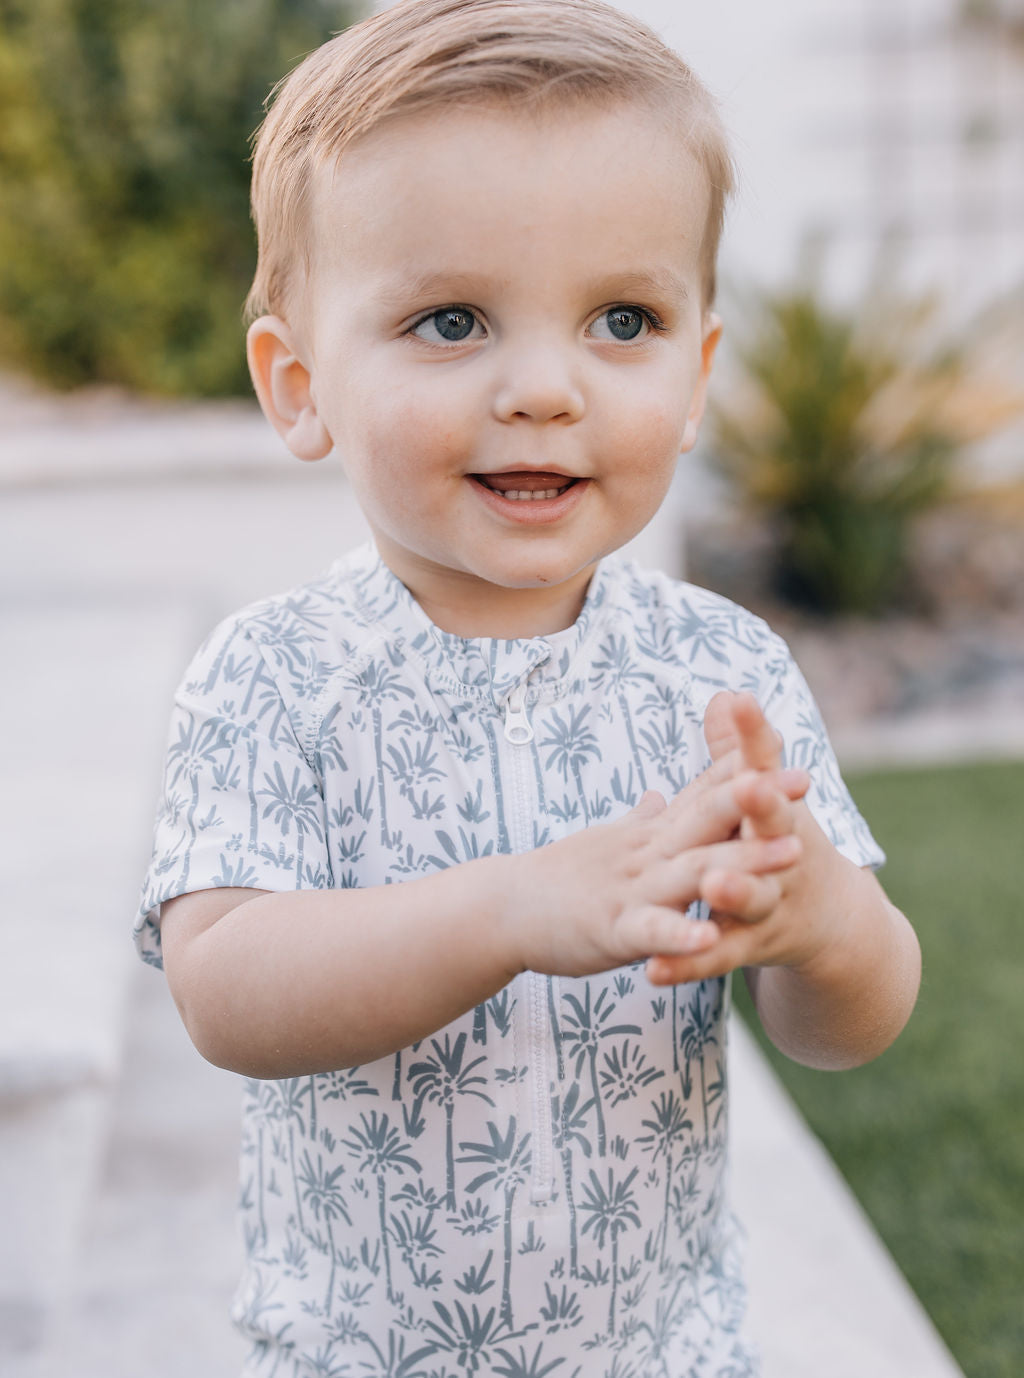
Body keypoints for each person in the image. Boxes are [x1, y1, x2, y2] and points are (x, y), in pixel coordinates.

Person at [135, 1, 921, 1373]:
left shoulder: (722, 672)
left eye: (623, 319)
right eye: (452, 321)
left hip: (665, 1353)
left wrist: (822, 922)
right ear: (301, 385)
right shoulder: (275, 676)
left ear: (696, 375)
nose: (547, 388)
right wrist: (511, 907)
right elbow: (224, 991)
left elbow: (848, 1028)